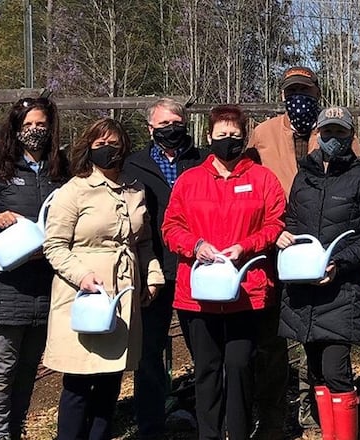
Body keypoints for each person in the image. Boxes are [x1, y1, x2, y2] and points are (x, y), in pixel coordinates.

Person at [247, 66, 360, 435]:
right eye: (293, 91)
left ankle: (317, 412)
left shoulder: (334, 133)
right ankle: (274, 416)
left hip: (325, 254)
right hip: (275, 248)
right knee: (273, 337)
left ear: (317, 94)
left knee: (321, 338)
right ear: (283, 96)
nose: (300, 99)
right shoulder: (262, 135)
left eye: (307, 92)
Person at [162, 104, 286, 439]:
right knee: (207, 369)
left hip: (247, 291)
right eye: (221, 135)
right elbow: (171, 226)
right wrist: (196, 245)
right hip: (199, 294)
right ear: (208, 137)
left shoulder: (262, 179)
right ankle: (209, 434)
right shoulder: (190, 181)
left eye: (234, 135)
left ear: (244, 138)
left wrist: (246, 246)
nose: (227, 140)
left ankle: (240, 431)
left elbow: (276, 223)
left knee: (240, 364)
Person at [42, 118, 165, 440]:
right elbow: (53, 245)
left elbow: (143, 241)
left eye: (113, 144)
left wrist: (152, 277)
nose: (108, 150)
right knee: (79, 382)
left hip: (123, 291)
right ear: (88, 149)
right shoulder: (73, 191)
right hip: (84, 295)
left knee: (111, 378)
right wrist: (82, 276)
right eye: (100, 145)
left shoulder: (135, 189)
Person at [277, 107, 360, 440]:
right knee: (315, 371)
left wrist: (340, 262)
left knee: (336, 369)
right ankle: (330, 434)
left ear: (351, 137)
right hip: (304, 289)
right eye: (328, 132)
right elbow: (294, 220)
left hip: (342, 289)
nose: (333, 139)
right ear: (318, 135)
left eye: (341, 133)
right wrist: (285, 235)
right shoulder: (304, 176)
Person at [0, 96, 67, 440]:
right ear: (16, 129)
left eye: (41, 124)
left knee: (29, 368)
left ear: (50, 127)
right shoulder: (0, 171)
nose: (35, 130)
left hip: (46, 284)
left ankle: (17, 428)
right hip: (7, 289)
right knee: (2, 366)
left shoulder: (60, 170)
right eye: (28, 125)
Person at [123, 97, 207, 439]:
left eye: (177, 123)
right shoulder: (134, 166)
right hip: (153, 271)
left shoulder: (202, 160)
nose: (171, 130)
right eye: (163, 125)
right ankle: (151, 427)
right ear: (150, 129)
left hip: (197, 268)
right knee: (149, 355)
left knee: (205, 350)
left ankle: (209, 422)